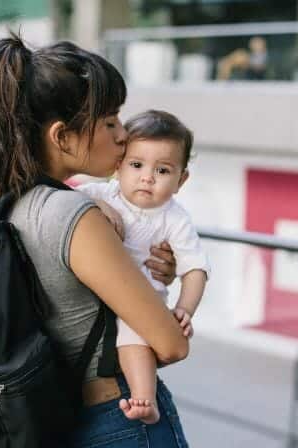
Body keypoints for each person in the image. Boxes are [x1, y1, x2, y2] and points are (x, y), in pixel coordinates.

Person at [0, 33, 194, 448]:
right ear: (62, 136)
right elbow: (170, 345)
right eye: (109, 121)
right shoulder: (79, 215)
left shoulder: (4, 199)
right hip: (115, 439)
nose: (122, 136)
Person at [76, 109, 209, 425]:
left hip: (139, 301)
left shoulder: (174, 219)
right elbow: (63, 194)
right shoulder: (101, 193)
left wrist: (184, 308)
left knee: (133, 333)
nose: (147, 177)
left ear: (181, 180)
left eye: (162, 170)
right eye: (137, 165)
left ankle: (144, 399)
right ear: (118, 166)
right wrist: (96, 205)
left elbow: (195, 269)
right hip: (97, 292)